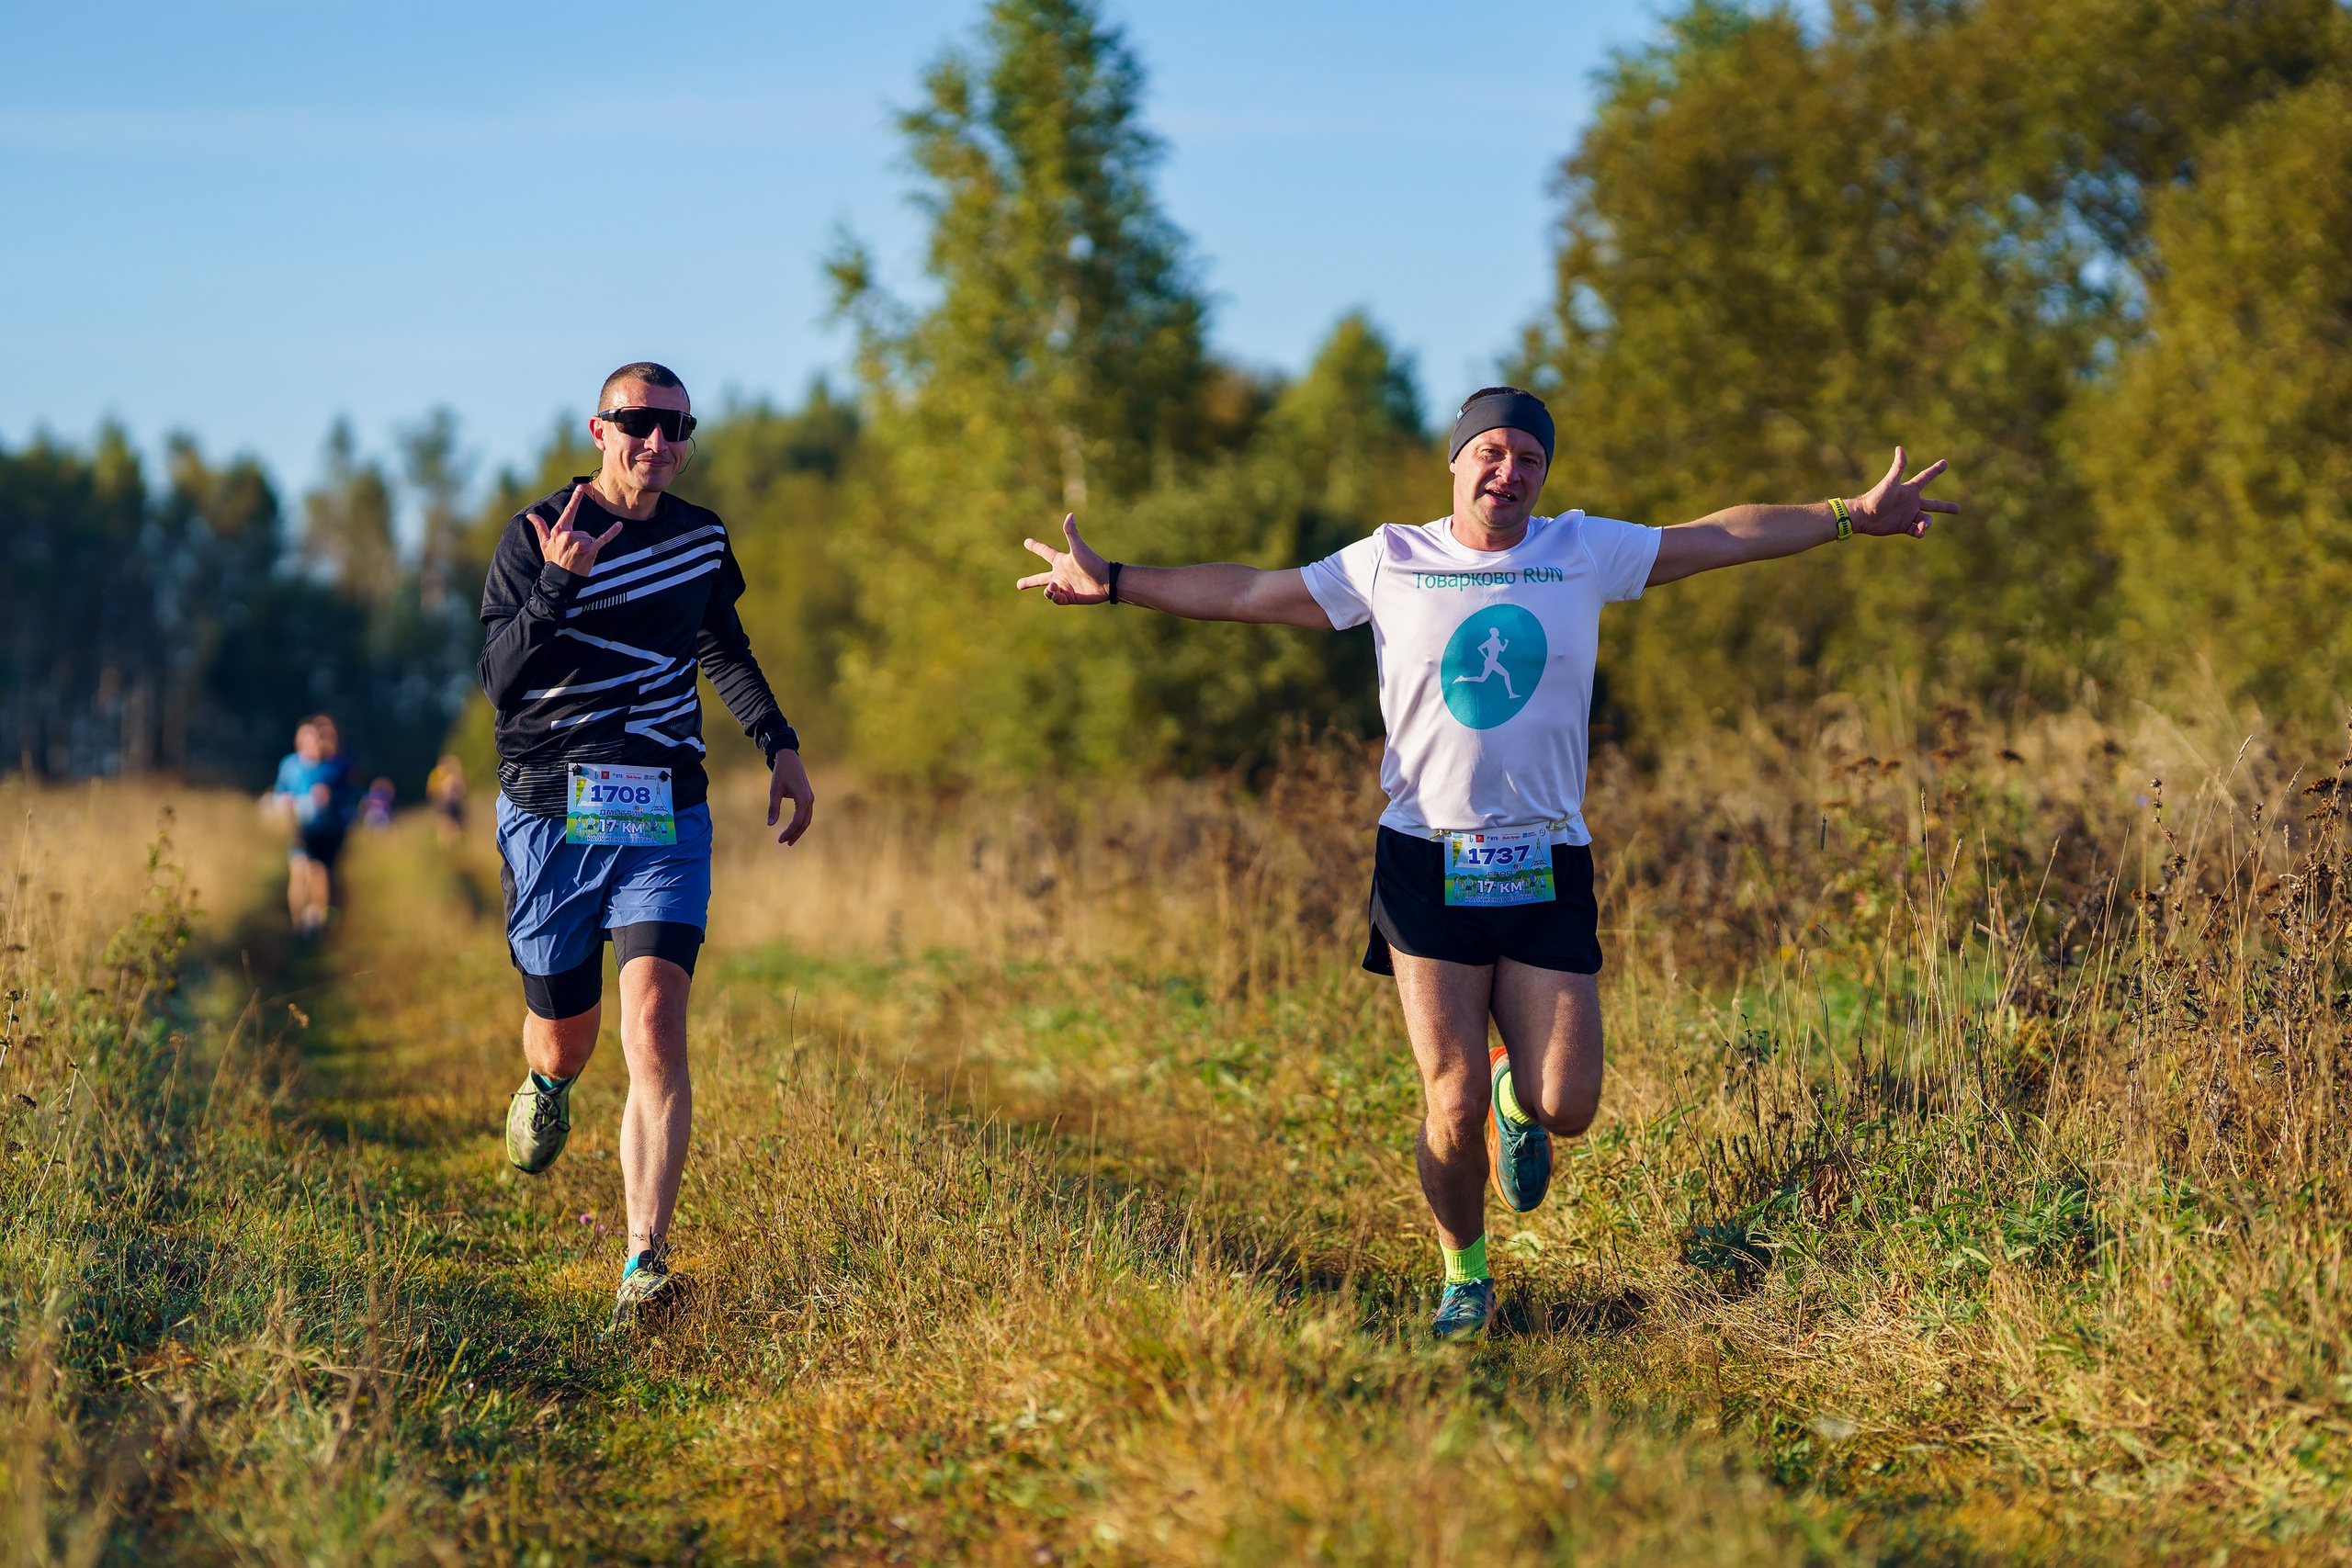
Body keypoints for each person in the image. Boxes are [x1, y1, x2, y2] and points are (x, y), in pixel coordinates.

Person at [1016, 386, 1955, 1340]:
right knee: (1449, 1099)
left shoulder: (1581, 550)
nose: (1508, 473)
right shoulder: (1390, 560)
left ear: (1543, 476)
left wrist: (1848, 517)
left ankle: (1521, 1091)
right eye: (1492, 454)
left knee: (1568, 1104)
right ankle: (1465, 1275)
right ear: (1457, 461)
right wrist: (1119, 579)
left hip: (1546, 858)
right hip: (1424, 857)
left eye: (1529, 461)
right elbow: (1250, 592)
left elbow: (1720, 536)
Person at [479, 360, 815, 1327]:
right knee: (568, 1037)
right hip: (550, 808)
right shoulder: (540, 533)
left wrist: (778, 744)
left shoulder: (700, 538)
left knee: (656, 1031)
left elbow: (722, 647)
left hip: (663, 806)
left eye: (676, 427)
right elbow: (499, 682)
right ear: (599, 428)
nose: (657, 444)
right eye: (638, 424)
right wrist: (555, 585)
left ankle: (643, 1264)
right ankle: (545, 1084)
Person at [267, 715, 356, 936]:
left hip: (325, 831)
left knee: (319, 873)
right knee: (298, 871)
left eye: (314, 739)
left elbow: (347, 796)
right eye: (305, 739)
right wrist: (284, 803)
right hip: (298, 829)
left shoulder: (332, 767)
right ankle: (298, 924)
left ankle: (317, 921)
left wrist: (329, 798)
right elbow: (279, 793)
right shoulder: (289, 765)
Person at [425, 753, 468, 847]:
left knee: (450, 826)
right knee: (448, 825)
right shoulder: (439, 774)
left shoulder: (452, 773)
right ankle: (451, 846)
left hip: (451, 804)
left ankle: (451, 846)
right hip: (445, 804)